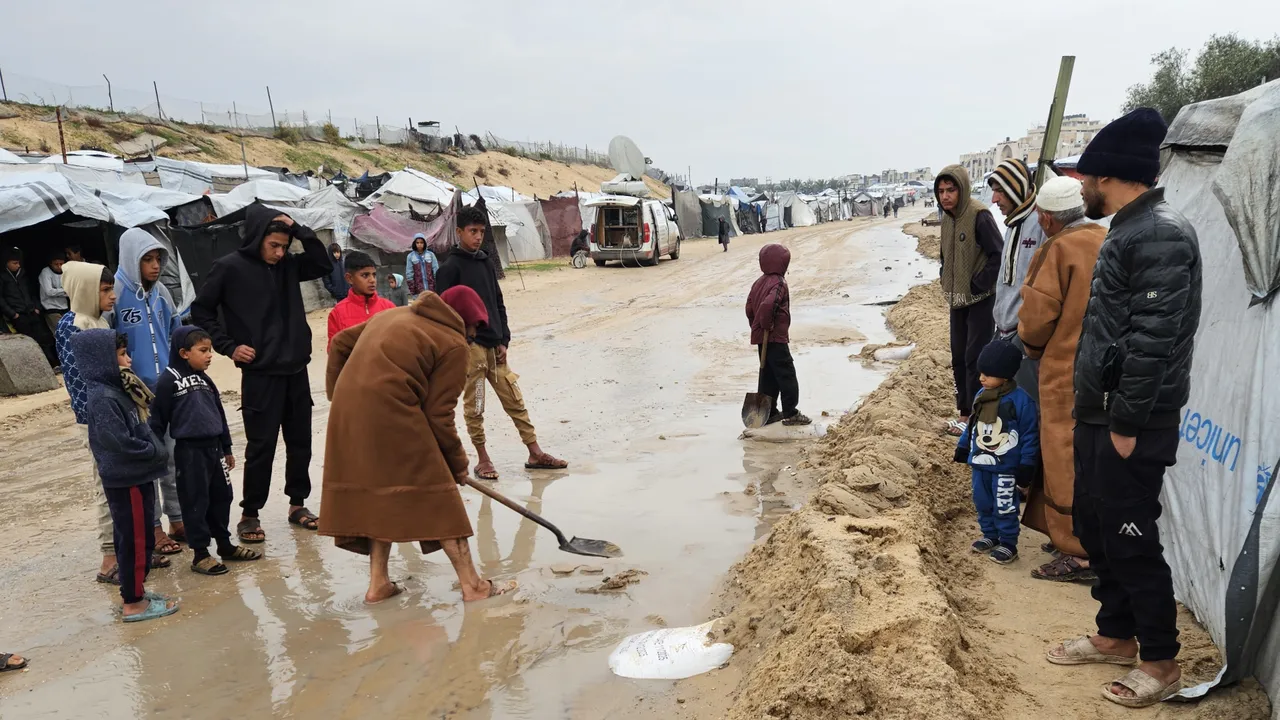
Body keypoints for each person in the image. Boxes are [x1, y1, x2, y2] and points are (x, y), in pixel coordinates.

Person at [1045, 108, 1200, 708]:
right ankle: (1114, 635)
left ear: (1109, 175)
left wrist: (1130, 421)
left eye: (1085, 176)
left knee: (1131, 536)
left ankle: (1159, 660)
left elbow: (1154, 338)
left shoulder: (1160, 233)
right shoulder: (1128, 228)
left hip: (1132, 420)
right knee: (1095, 525)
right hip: (1102, 413)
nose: (1081, 186)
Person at [321, 286, 515, 604]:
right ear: (464, 320)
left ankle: (378, 584)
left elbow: (341, 343)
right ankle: (474, 586)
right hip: (393, 413)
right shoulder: (453, 344)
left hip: (347, 415)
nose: (474, 335)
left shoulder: (393, 314)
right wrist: (456, 465)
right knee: (442, 500)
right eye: (475, 327)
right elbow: (439, 416)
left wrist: (339, 394)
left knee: (381, 495)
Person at [190, 204, 333, 544]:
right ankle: (250, 513)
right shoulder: (229, 268)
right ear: (257, 239)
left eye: (284, 246)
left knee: (301, 442)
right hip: (260, 374)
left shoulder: (288, 266)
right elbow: (201, 310)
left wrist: (299, 230)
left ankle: (297, 504)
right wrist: (229, 346)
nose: (280, 253)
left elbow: (323, 264)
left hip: (296, 369)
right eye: (274, 246)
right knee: (261, 446)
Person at [435, 206, 567, 480]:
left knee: (514, 399)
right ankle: (483, 459)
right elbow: (443, 315)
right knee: (475, 405)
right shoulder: (449, 269)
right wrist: (462, 345)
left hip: (496, 348)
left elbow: (497, 302)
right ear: (459, 232)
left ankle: (535, 452)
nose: (478, 237)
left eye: (482, 232)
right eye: (472, 231)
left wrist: (504, 338)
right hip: (471, 351)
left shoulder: (485, 262)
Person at [1018, 177, 1106, 583]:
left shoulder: (1057, 249)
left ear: (1047, 218)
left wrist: (1032, 349)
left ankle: (1076, 549)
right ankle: (1087, 535)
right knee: (1090, 456)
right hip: (1105, 372)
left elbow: (1036, 317)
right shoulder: (1106, 238)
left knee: (1062, 454)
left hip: (1064, 371)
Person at [74, 329, 180, 622]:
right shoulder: (103, 398)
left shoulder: (120, 390)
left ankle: (137, 591)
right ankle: (133, 602)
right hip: (126, 479)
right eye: (121, 355)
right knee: (133, 539)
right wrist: (154, 450)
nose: (129, 360)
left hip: (137, 474)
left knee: (142, 537)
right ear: (102, 361)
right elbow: (118, 442)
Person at [150, 326, 262, 576]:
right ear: (184, 353)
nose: (210, 355)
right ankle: (200, 553)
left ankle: (225, 545)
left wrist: (227, 447)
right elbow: (157, 420)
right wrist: (156, 452)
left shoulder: (205, 379)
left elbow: (219, 414)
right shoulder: (167, 381)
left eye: (210, 350)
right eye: (203, 350)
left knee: (222, 497)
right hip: (190, 453)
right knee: (195, 501)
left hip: (215, 450)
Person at [114, 228, 185, 554]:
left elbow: (174, 332)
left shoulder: (162, 294)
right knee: (146, 462)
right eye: (148, 259)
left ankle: (177, 519)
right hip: (133, 394)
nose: (155, 266)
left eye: (158, 258)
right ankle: (153, 527)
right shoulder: (115, 293)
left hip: (165, 388)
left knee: (172, 455)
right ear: (132, 259)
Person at [55, 262, 123, 583]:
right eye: (105, 290)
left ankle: (127, 550)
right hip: (95, 419)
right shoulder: (72, 326)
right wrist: (101, 421)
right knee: (105, 486)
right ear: (84, 290)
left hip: (113, 415)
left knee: (121, 483)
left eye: (111, 289)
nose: (112, 296)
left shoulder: (99, 320)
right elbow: (80, 382)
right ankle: (109, 559)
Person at [953, 340, 1038, 565]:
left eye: (988, 374)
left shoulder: (1022, 402)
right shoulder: (982, 395)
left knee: (1004, 504)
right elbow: (973, 424)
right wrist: (963, 446)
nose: (981, 378)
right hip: (980, 463)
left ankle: (1008, 543)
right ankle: (990, 535)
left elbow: (1030, 436)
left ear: (1006, 375)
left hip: (1005, 467)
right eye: (981, 373)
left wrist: (1027, 464)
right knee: (982, 501)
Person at [934, 166, 1003, 436]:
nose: (945, 196)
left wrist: (978, 283)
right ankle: (964, 413)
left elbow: (998, 254)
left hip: (980, 300)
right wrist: (945, 277)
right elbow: (945, 255)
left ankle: (976, 415)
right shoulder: (947, 218)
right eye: (941, 191)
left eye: (951, 190)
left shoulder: (979, 215)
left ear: (962, 189)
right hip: (957, 300)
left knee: (976, 357)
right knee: (959, 357)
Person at [986, 159, 1047, 401]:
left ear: (1016, 188)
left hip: (1024, 335)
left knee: (1027, 401)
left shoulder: (1041, 223)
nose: (994, 199)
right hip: (1005, 331)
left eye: (1000, 191)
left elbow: (1043, 287)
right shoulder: (1012, 224)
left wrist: (1027, 330)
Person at [745, 244, 810, 426]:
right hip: (774, 337)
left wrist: (756, 326)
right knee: (786, 374)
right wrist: (766, 325)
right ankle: (791, 412)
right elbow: (768, 305)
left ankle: (770, 412)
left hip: (763, 337)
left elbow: (749, 308)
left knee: (768, 374)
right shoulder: (779, 283)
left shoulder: (758, 282)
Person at [1, 247, 59, 370]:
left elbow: (32, 292)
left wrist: (36, 307)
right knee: (29, 342)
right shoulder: (2, 277)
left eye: (18, 263)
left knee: (44, 339)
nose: (18, 265)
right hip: (18, 315)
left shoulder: (23, 275)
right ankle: (38, 368)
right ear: (7, 263)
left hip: (32, 311)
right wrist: (12, 314)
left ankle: (53, 364)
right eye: (14, 263)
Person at [327, 251, 395, 348]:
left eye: (374, 275)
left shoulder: (389, 307)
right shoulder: (337, 313)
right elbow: (334, 351)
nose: (372, 280)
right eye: (365, 275)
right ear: (349, 278)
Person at [38, 251, 69, 333]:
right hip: (51, 308)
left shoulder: (66, 272)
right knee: (60, 332)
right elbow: (49, 291)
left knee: (69, 331)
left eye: (61, 264)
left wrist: (61, 291)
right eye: (56, 264)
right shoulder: (45, 272)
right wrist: (65, 291)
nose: (59, 266)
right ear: (51, 264)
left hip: (64, 307)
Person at [405, 233, 439, 299]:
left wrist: (437, 287)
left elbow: (436, 271)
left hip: (431, 289)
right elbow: (409, 274)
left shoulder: (431, 255)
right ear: (414, 243)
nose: (419, 244)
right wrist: (413, 291)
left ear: (424, 243)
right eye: (417, 243)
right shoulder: (410, 256)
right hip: (418, 291)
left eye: (421, 242)